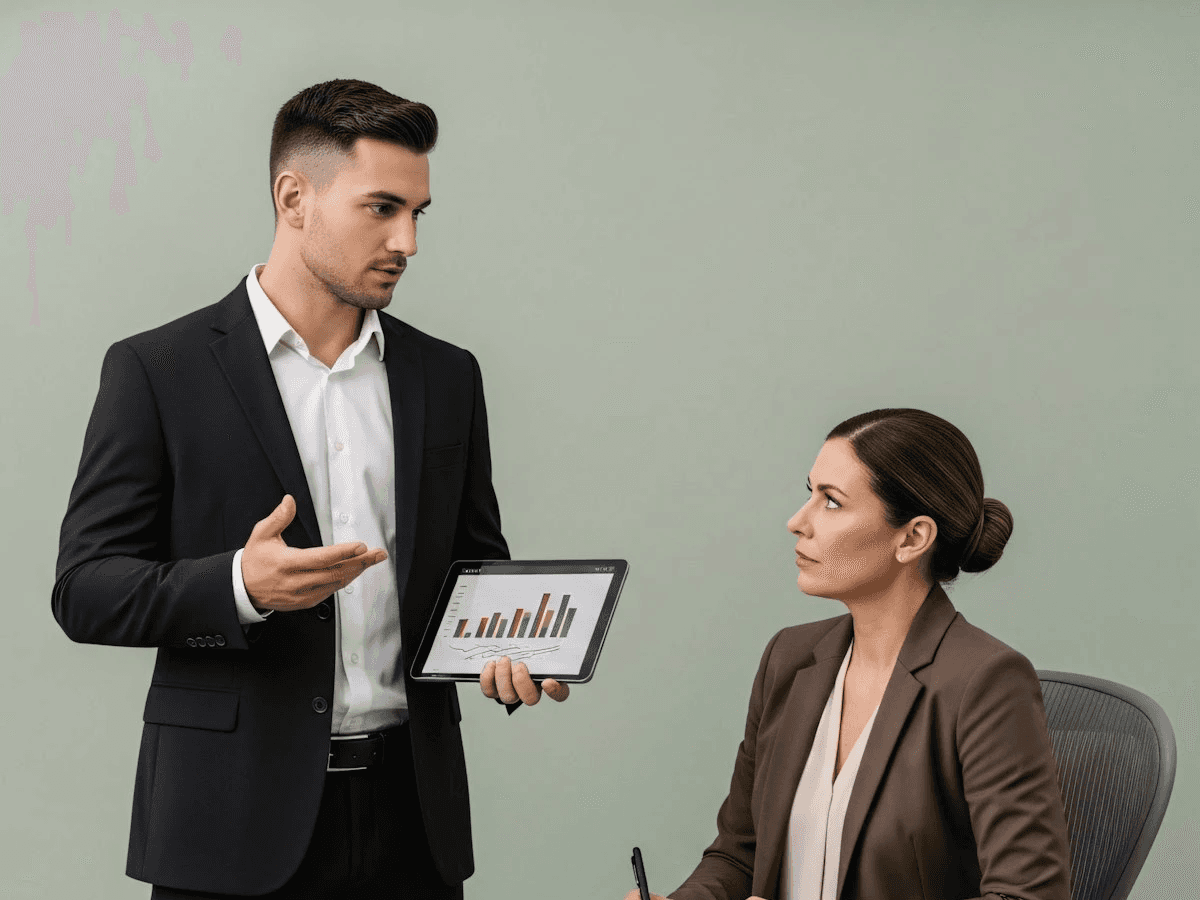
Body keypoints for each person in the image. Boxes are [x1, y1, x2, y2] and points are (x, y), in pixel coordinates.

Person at [52, 78, 565, 900]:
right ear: (295, 197)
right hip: (227, 825)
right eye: (382, 208)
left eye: (419, 214)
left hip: (413, 822)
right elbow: (84, 590)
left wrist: (504, 653)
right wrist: (237, 586)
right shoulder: (159, 370)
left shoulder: (446, 375)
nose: (408, 240)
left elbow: (473, 566)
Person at [625, 408, 1072, 900]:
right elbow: (740, 851)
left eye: (832, 503)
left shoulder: (985, 681)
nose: (798, 521)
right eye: (810, 492)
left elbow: (1028, 896)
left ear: (912, 538)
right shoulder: (789, 658)